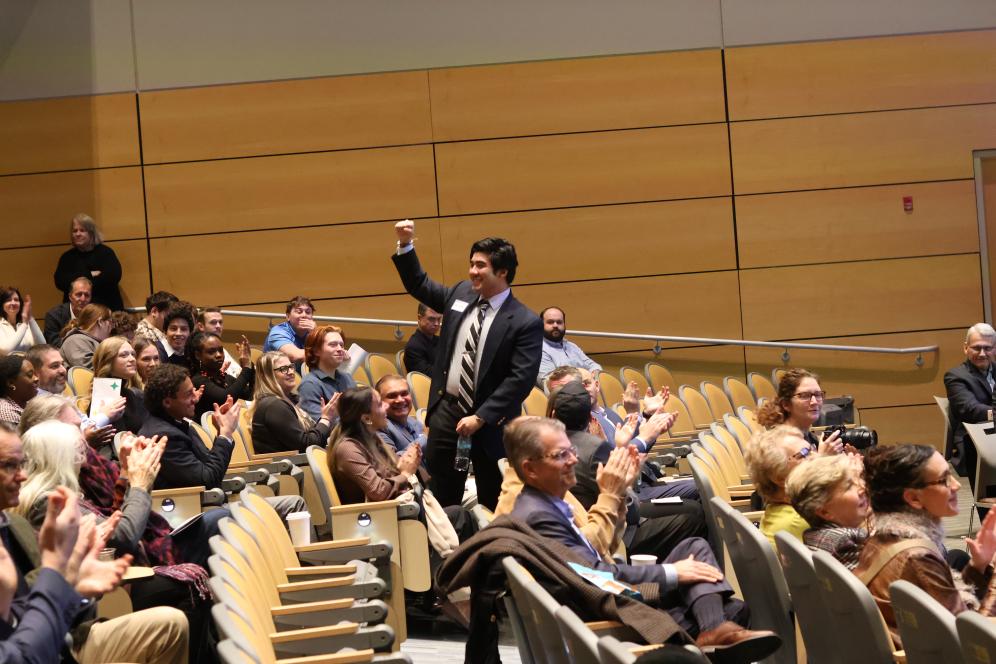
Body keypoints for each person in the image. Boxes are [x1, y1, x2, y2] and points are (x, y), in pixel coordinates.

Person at [505, 417, 781, 661]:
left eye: (572, 451)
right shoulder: (539, 516)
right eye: (561, 454)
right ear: (530, 469)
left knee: (693, 549)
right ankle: (712, 628)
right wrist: (671, 572)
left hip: (607, 593)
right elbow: (594, 574)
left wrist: (620, 491)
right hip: (608, 613)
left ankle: (712, 630)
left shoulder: (546, 502)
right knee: (734, 608)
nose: (574, 460)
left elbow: (597, 551)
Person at [15, 417, 216, 663]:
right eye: (78, 452)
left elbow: (114, 520)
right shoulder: (47, 502)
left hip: (99, 582)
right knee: (191, 585)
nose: (85, 458)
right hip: (94, 598)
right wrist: (140, 485)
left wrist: (129, 476)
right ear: (61, 458)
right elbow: (124, 536)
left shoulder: (61, 492)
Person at [392, 219, 543, 510]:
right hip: (447, 414)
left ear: (502, 272)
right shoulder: (461, 293)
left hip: (491, 423)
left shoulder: (524, 321)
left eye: (480, 266)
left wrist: (481, 416)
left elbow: (520, 379)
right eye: (472, 264)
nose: (472, 271)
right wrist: (405, 245)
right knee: (440, 498)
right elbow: (419, 283)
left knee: (492, 499)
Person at [547, 381, 710, 562]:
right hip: (613, 536)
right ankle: (664, 582)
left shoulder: (545, 448)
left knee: (691, 510)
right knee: (692, 521)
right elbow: (630, 513)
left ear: (554, 414)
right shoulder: (595, 448)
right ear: (589, 417)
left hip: (570, 536)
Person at [855, 444, 996, 644]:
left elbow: (949, 607)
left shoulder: (883, 537)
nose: (956, 485)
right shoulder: (917, 557)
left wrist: (978, 566)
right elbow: (974, 642)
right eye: (944, 479)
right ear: (913, 498)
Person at [139, 364, 306, 520]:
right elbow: (207, 480)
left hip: (212, 503)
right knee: (294, 505)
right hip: (196, 513)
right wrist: (225, 435)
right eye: (189, 394)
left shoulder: (176, 424)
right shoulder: (164, 437)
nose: (195, 399)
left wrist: (221, 431)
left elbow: (208, 467)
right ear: (167, 402)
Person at [329, 386, 422, 505]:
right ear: (367, 418)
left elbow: (392, 472)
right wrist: (406, 474)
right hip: (379, 517)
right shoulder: (348, 449)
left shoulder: (372, 437)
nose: (386, 406)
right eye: (379, 404)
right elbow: (378, 492)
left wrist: (408, 461)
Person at [785, 454, 869, 569]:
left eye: (859, 479)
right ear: (825, 512)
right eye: (849, 486)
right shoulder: (844, 541)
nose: (863, 488)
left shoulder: (813, 535)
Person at [944, 322, 996, 494]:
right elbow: (969, 410)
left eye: (987, 348)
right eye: (976, 348)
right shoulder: (955, 376)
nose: (982, 353)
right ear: (966, 348)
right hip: (974, 443)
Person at [250, 351, 335, 454]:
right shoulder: (273, 406)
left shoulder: (292, 400)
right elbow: (307, 445)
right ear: (268, 376)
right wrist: (325, 419)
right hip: (287, 467)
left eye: (291, 366)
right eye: (284, 369)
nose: (291, 372)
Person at [744, 425, 814, 547]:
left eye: (812, 449)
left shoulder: (779, 511)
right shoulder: (800, 521)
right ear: (780, 478)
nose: (817, 457)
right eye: (804, 454)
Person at [756, 368, 843, 455]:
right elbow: (800, 469)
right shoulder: (778, 444)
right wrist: (823, 457)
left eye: (818, 395)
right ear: (786, 404)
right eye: (805, 396)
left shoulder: (809, 437)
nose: (814, 402)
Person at [54, 213, 124, 311]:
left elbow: (113, 277)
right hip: (76, 313)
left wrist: (77, 281)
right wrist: (90, 274)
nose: (77, 234)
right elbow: (60, 282)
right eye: (75, 231)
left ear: (91, 233)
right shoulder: (67, 257)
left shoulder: (105, 253)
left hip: (105, 310)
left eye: (82, 230)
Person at [189, 332, 254, 419]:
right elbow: (224, 399)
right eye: (211, 352)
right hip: (207, 431)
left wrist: (249, 365)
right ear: (198, 355)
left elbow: (249, 395)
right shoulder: (198, 380)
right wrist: (246, 368)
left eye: (220, 350)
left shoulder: (223, 377)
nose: (219, 355)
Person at [92, 336, 150, 435]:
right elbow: (116, 440)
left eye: (133, 354)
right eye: (124, 355)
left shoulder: (130, 394)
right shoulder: (104, 395)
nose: (132, 359)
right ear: (108, 361)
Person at [298, 325, 354, 423]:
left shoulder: (347, 378)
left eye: (341, 345)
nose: (340, 349)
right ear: (316, 351)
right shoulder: (310, 385)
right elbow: (319, 427)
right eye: (333, 344)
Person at [537, 306, 602, 379]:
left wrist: (594, 374)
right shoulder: (538, 349)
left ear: (564, 325)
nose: (555, 325)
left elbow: (593, 365)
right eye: (550, 322)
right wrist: (586, 378)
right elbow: (549, 382)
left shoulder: (572, 346)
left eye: (559, 322)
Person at [375, 374, 427, 455]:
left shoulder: (415, 423)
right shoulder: (379, 428)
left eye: (404, 393)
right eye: (392, 396)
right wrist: (425, 438)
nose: (400, 400)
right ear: (379, 401)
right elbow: (394, 463)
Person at [263, 296, 316, 365]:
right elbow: (296, 356)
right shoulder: (278, 332)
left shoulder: (313, 331)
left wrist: (316, 333)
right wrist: (324, 353)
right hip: (275, 373)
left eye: (308, 312)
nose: (304, 315)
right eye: (299, 312)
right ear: (288, 316)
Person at [60, 303, 113, 369]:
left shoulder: (91, 341)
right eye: (110, 322)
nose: (112, 327)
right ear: (100, 322)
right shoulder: (75, 340)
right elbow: (87, 367)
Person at [44, 276, 93, 346]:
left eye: (87, 295)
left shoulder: (95, 315)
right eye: (79, 294)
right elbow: (54, 343)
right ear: (70, 296)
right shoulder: (54, 316)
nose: (83, 299)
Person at [197, 307, 241, 378]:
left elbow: (238, 372)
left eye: (220, 322)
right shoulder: (198, 350)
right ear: (201, 326)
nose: (218, 326)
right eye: (213, 322)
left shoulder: (220, 348)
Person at [134, 290, 178, 360]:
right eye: (170, 315)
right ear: (154, 312)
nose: (173, 319)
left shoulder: (160, 330)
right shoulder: (143, 334)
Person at [0, 286, 44, 353]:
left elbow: (43, 346)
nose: (13, 303)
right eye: (8, 300)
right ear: (2, 305)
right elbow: (6, 351)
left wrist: (30, 318)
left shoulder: (28, 325)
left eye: (16, 300)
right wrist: (24, 324)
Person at [403, 303, 441, 376]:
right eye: (431, 319)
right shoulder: (413, 347)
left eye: (439, 319)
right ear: (419, 318)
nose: (436, 323)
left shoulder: (438, 340)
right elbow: (427, 375)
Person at [0, 355, 38, 427]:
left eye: (35, 374)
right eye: (30, 375)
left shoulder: (27, 403)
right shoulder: (6, 413)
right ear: (11, 383)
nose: (36, 378)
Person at [159, 301, 197, 367]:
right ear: (165, 331)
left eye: (184, 329)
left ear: (190, 333)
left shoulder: (191, 353)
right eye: (173, 328)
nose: (178, 333)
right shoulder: (156, 352)